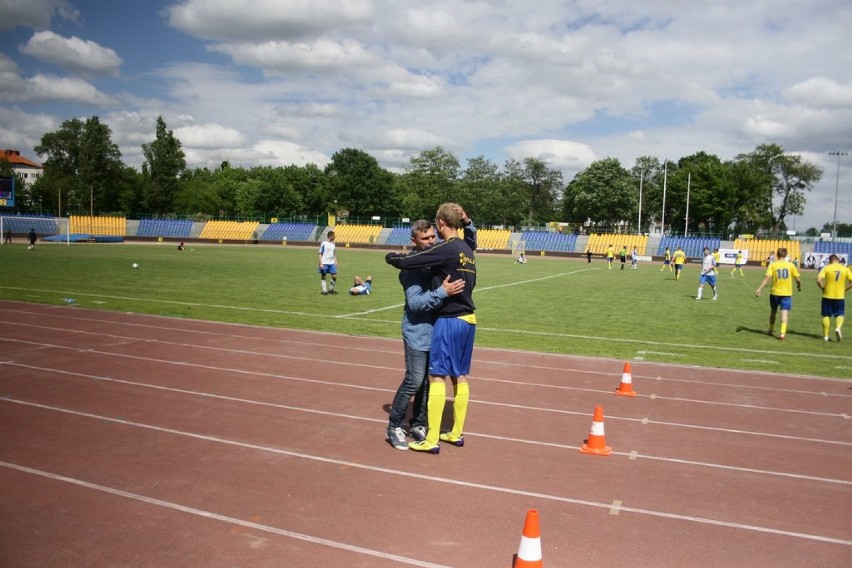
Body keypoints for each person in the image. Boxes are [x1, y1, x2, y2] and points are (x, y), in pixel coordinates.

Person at [386, 203, 477, 454]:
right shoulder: (415, 268)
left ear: (439, 228)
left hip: (440, 328)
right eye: (424, 238)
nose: (430, 241)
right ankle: (394, 425)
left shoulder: (442, 253)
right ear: (414, 240)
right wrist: (442, 291)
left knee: (430, 382)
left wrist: (467, 223)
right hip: (419, 331)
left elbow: (469, 243)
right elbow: (415, 303)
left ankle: (419, 424)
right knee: (415, 380)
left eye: (432, 236)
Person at [755, 247, 802, 340]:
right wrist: (799, 285)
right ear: (786, 255)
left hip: (775, 293)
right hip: (787, 293)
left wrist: (759, 288)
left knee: (773, 311)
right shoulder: (791, 265)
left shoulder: (773, 265)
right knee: (784, 313)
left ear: (777, 254)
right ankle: (782, 333)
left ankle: (770, 330)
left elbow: (767, 277)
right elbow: (797, 278)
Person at [816, 254, 852, 342]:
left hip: (827, 295)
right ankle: (838, 328)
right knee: (840, 314)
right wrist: (845, 290)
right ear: (838, 260)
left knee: (826, 315)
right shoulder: (844, 268)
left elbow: (818, 280)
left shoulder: (827, 268)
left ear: (830, 260)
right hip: (839, 295)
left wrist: (822, 288)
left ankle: (826, 336)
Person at [318, 230, 338, 295]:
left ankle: (331, 289)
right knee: (324, 276)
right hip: (324, 263)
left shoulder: (333, 244)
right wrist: (321, 263)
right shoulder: (324, 243)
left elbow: (334, 254)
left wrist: (336, 261)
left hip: (331, 263)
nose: (335, 237)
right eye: (334, 236)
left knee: (334, 276)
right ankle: (324, 291)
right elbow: (320, 253)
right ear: (330, 236)